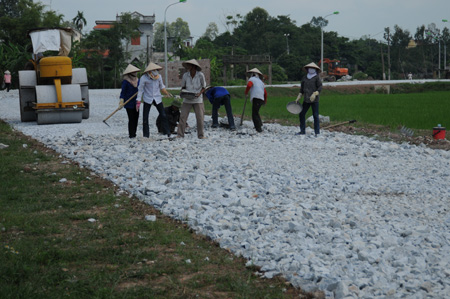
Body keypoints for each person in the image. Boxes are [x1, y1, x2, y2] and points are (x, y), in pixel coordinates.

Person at [136, 62, 172, 138]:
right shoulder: (144, 78)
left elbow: (162, 87)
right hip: (147, 98)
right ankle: (146, 135)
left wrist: (166, 93)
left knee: (163, 115)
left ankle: (167, 132)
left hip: (157, 98)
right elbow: (140, 90)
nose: (154, 72)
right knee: (145, 117)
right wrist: (138, 101)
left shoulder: (159, 76)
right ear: (149, 71)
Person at [177, 59, 207, 139]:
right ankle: (180, 134)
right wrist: (182, 92)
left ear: (193, 66)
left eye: (189, 65)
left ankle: (201, 135)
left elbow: (204, 87)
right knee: (183, 117)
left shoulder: (200, 75)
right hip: (187, 99)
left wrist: (199, 93)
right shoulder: (185, 75)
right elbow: (183, 86)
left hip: (198, 99)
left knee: (200, 117)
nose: (188, 67)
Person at [295, 62, 323, 136]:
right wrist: (299, 95)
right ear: (307, 69)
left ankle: (317, 132)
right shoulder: (305, 78)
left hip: (314, 100)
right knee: (302, 114)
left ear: (315, 70)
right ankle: (302, 130)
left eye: (313, 68)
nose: (311, 70)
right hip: (306, 99)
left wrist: (315, 93)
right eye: (310, 68)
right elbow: (302, 88)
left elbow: (320, 87)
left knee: (315, 115)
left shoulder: (317, 77)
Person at [119, 64, 141, 138]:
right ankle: (131, 134)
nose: (135, 73)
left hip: (137, 102)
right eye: (134, 72)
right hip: (128, 103)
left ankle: (134, 133)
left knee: (136, 117)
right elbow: (123, 92)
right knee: (131, 118)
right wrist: (121, 101)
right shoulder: (126, 81)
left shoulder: (138, 81)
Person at [244, 68, 267, 133]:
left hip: (256, 97)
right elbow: (265, 92)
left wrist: (246, 92)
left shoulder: (251, 79)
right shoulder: (261, 82)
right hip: (261, 98)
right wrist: (265, 101)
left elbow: (249, 85)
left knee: (254, 114)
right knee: (256, 111)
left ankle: (258, 128)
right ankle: (260, 124)